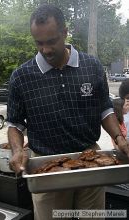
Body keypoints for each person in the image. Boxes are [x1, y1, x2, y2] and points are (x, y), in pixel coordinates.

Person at [7, 4, 129, 220]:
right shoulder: (21, 77)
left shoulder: (92, 66)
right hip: (46, 169)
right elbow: (15, 124)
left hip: (90, 162)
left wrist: (118, 136)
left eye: (51, 41)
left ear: (65, 32)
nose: (45, 50)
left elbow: (104, 109)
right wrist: (17, 150)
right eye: (39, 43)